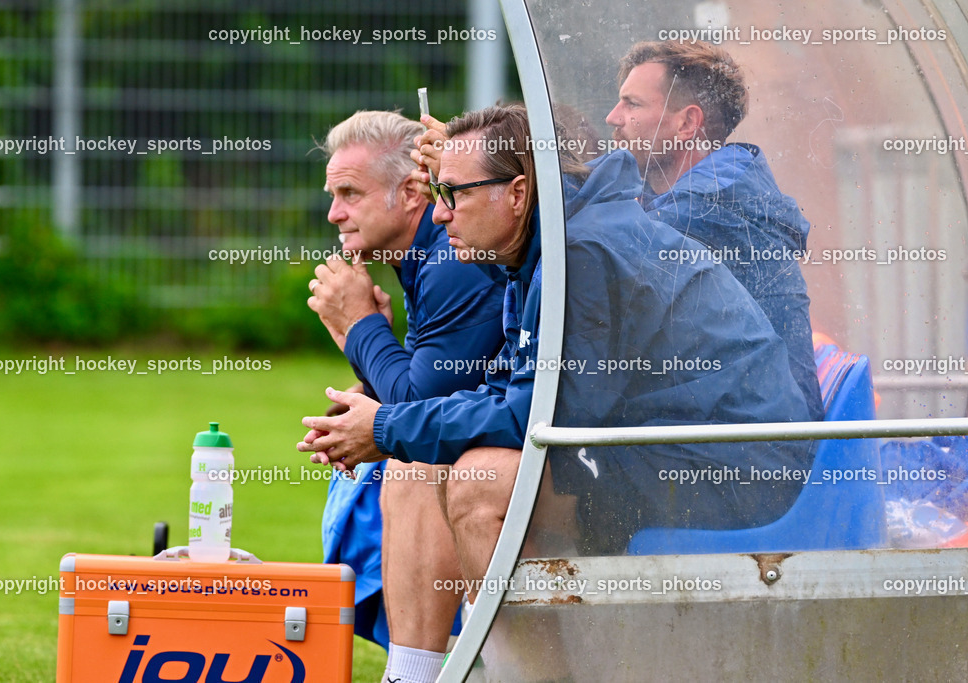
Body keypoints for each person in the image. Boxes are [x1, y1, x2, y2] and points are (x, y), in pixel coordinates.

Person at [300, 103, 813, 646]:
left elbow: (534, 415)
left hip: (731, 465)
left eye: (454, 194)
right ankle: (421, 671)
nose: (440, 214)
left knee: (481, 483)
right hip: (667, 446)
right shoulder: (547, 245)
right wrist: (395, 424)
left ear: (517, 194)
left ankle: (522, 672)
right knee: (445, 462)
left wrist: (383, 419)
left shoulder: (581, 252)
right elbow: (513, 391)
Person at [308, 111, 505, 676]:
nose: (334, 213)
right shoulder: (426, 255)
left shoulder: (453, 257)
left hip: (551, 464)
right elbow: (424, 392)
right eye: (332, 193)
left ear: (413, 190)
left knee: (413, 468)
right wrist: (367, 366)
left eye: (349, 192)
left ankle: (415, 673)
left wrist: (360, 327)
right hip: (507, 443)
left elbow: (417, 409)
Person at [605, 39, 825, 422]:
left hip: (750, 446)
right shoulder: (684, 202)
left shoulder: (702, 215)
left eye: (632, 104)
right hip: (735, 427)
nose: (613, 117)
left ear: (687, 124)